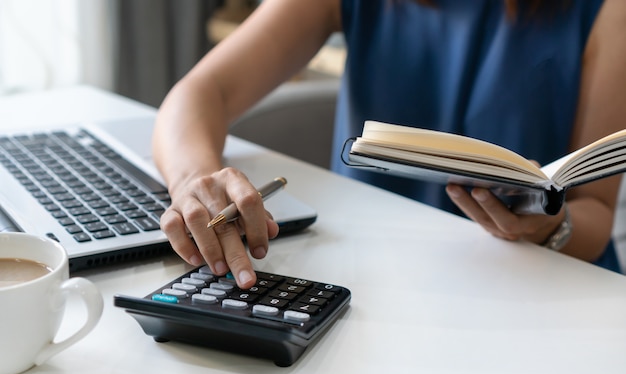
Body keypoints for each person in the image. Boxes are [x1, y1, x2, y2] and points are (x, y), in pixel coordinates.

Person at [153, 0, 626, 289]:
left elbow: (596, 212)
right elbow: (200, 93)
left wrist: (548, 228)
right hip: (370, 280)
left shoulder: (608, 9)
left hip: (537, 289)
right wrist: (194, 180)